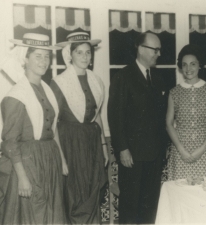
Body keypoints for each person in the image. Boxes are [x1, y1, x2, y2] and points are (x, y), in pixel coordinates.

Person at [0, 33, 67, 224]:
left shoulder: (47, 90)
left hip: (49, 160)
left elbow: (53, 130)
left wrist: (61, 160)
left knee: (51, 213)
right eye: (37, 56)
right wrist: (22, 177)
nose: (43, 61)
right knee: (33, 215)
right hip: (28, 163)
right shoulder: (16, 96)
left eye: (47, 56)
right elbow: (10, 142)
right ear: (25, 58)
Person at [108, 32, 167, 224]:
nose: (158, 54)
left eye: (159, 50)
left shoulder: (158, 78)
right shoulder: (123, 77)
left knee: (150, 205)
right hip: (132, 156)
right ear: (141, 49)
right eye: (154, 49)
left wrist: (162, 149)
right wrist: (122, 148)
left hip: (154, 155)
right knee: (130, 206)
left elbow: (160, 117)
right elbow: (115, 117)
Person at [50, 32, 108, 224]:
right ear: (70, 54)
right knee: (75, 193)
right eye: (79, 52)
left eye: (88, 53)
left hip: (92, 142)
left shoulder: (96, 81)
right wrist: (61, 157)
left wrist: (103, 147)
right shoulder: (59, 83)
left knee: (94, 188)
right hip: (70, 142)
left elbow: (96, 115)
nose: (85, 57)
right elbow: (53, 123)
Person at [166, 44, 206, 180]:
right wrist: (181, 150)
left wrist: (202, 149)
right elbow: (169, 124)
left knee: (204, 192)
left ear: (199, 65)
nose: (188, 69)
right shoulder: (174, 92)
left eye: (193, 64)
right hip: (180, 150)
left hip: (205, 149)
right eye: (184, 65)